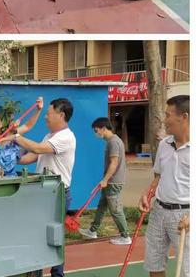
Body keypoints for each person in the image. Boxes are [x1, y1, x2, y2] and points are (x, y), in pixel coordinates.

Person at [1, 98, 76, 277]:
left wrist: (17, 137)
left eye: (48, 114)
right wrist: (8, 158)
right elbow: (32, 156)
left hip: (57, 194)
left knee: (53, 237)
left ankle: (57, 274)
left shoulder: (66, 137)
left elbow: (39, 149)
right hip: (42, 193)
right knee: (37, 236)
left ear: (61, 115)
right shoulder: (49, 136)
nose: (45, 118)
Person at [139, 95, 189, 277]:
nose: (164, 120)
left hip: (185, 216)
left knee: (187, 269)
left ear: (184, 117)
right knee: (154, 263)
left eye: (168, 115)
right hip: (159, 211)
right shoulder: (164, 145)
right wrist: (148, 193)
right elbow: (158, 176)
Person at [79, 117, 131, 245]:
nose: (95, 133)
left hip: (113, 182)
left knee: (115, 209)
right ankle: (92, 230)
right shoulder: (113, 141)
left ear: (103, 128)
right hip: (111, 181)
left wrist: (105, 179)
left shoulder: (113, 142)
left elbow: (114, 163)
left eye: (96, 130)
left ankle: (125, 236)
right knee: (102, 206)